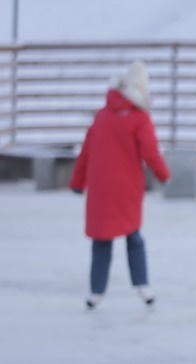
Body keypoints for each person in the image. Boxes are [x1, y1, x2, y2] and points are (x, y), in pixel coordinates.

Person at [70, 60, 171, 310]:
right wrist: (163, 174)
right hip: (127, 187)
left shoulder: (102, 115)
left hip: (101, 189)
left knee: (101, 239)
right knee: (133, 236)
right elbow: (150, 151)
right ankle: (142, 285)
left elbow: (86, 151)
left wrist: (77, 181)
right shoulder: (140, 118)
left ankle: (96, 291)